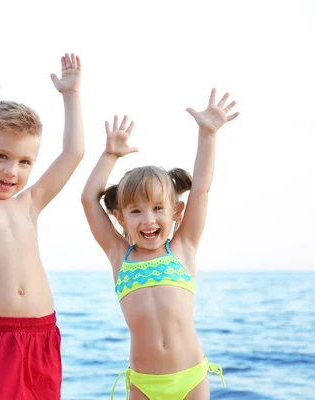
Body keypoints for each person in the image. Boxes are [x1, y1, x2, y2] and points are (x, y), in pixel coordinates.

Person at [0, 49, 84, 399]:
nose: (11, 171)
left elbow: (74, 153)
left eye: (24, 162)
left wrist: (71, 95)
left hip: (42, 335)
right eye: (1, 157)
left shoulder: (30, 203)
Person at [81, 89, 239, 399]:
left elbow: (201, 190)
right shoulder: (119, 255)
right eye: (136, 211)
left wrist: (208, 133)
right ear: (120, 218)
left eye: (157, 209)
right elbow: (88, 199)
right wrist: (109, 155)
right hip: (144, 384)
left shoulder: (183, 248)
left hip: (191, 378)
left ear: (176, 213)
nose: (148, 219)